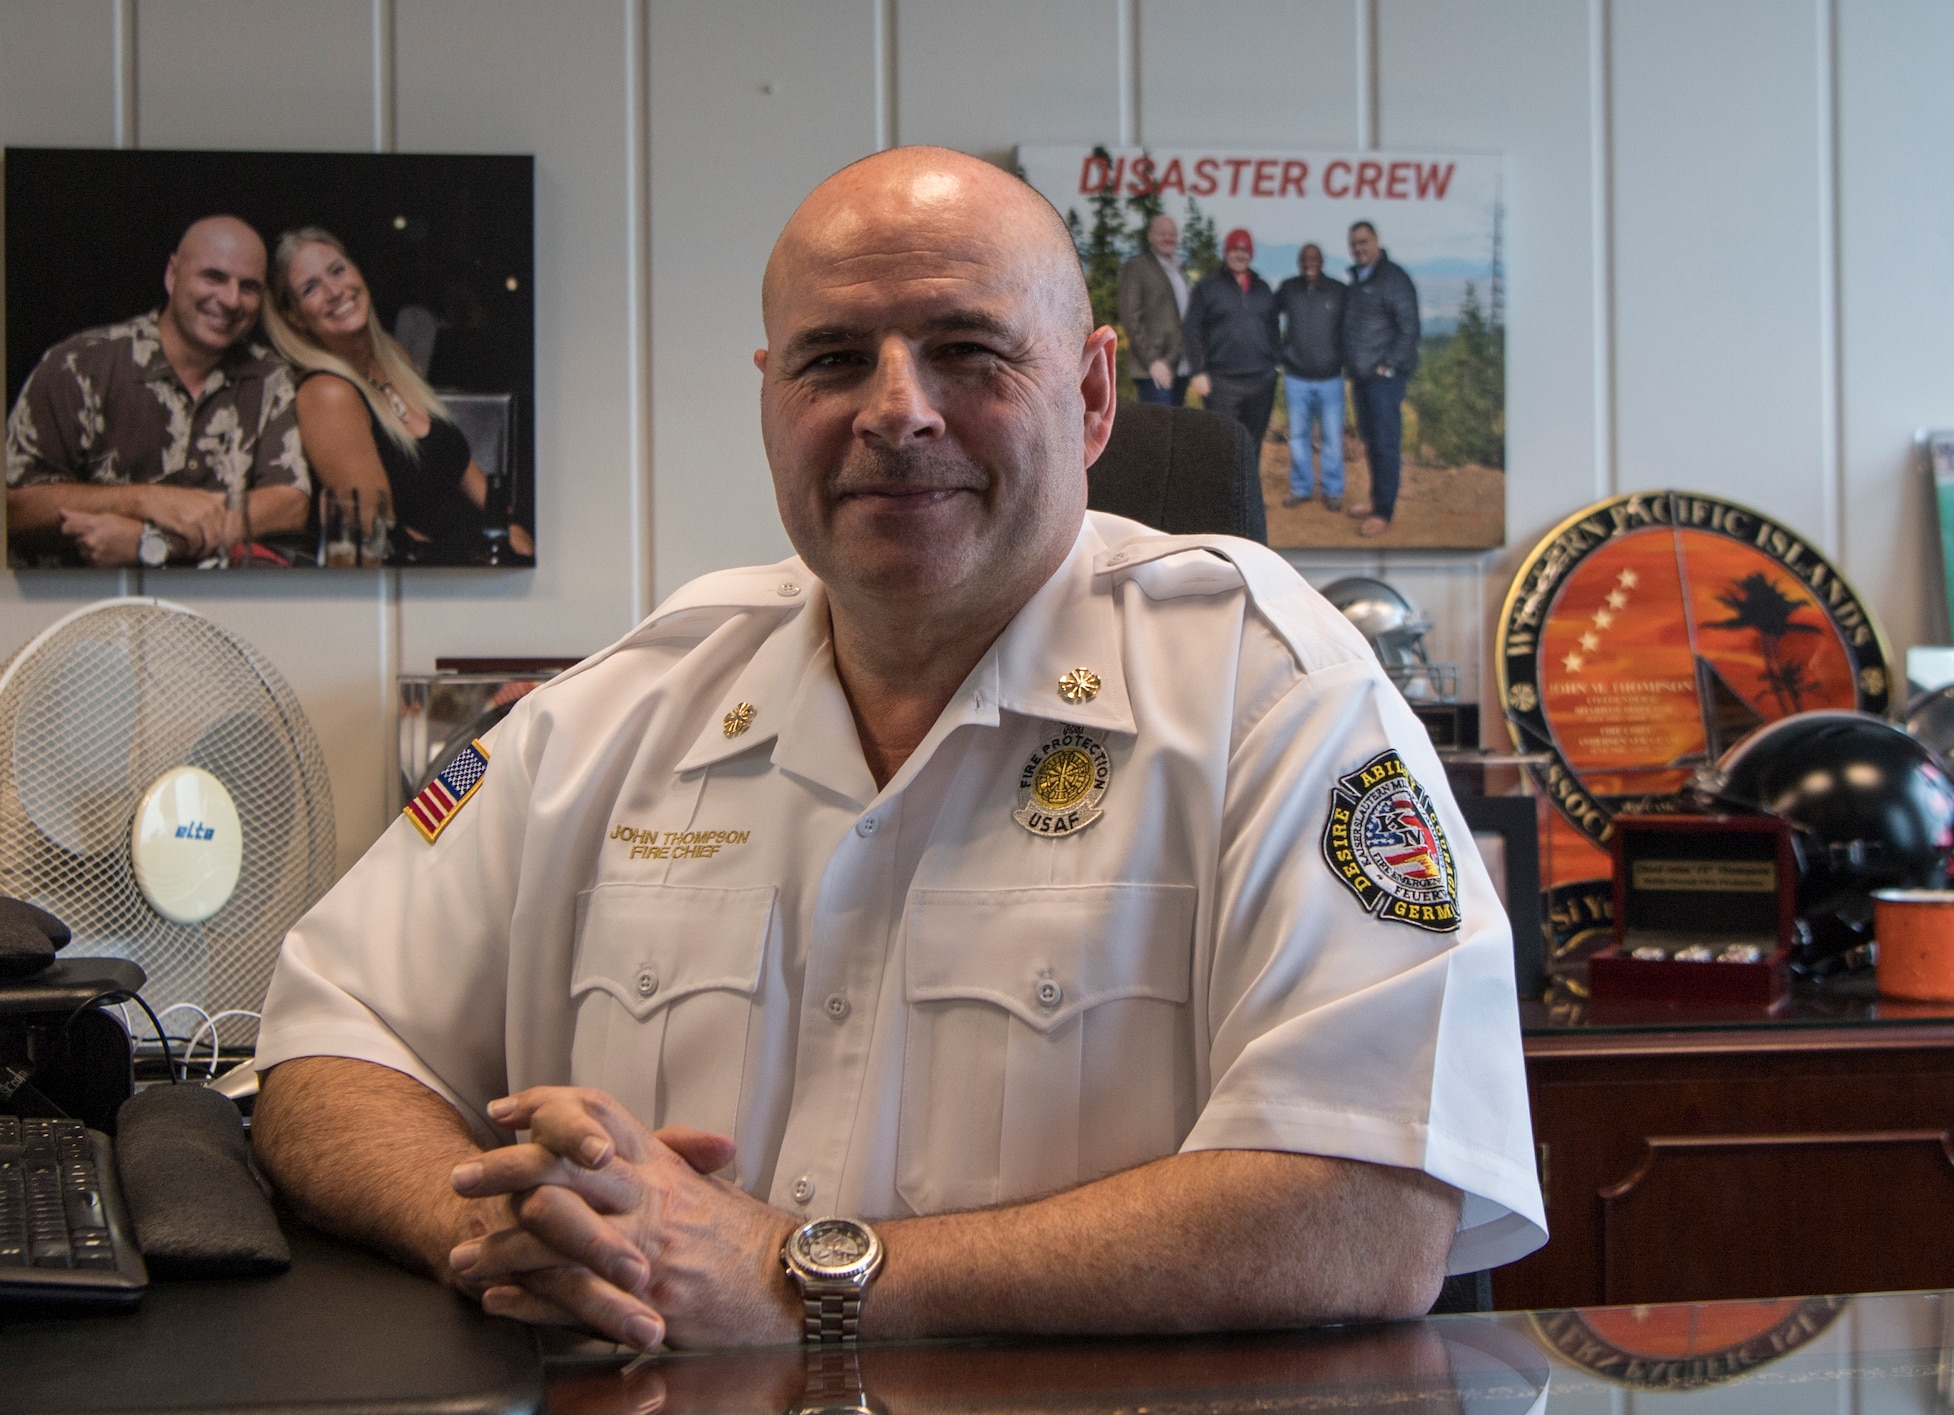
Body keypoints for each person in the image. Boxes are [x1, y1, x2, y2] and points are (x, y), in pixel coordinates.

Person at [250, 147, 1543, 1353]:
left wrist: (790, 1273)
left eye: (968, 350)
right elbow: (322, 1041)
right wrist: (500, 1227)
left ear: (1094, 393)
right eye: (831, 361)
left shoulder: (1274, 695)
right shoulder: (619, 711)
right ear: (769, 401)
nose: (896, 409)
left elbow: (1373, 1207)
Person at [4, 215, 310, 567]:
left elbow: (290, 504)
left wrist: (156, 542)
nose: (230, 299)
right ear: (173, 274)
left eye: (249, 287)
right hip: (82, 610)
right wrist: (145, 501)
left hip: (218, 614)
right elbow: (15, 509)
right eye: (213, 277)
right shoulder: (78, 364)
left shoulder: (268, 375)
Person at [262, 227, 534, 564]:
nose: (335, 291)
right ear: (294, 318)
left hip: (477, 562)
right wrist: (481, 551)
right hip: (426, 580)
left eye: (338, 270)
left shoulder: (395, 359)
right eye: (310, 288)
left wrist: (507, 527)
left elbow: (468, 474)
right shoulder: (327, 393)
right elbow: (383, 538)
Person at [1340, 222, 1420, 538]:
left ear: (1376, 241)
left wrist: (1390, 365)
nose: (1359, 248)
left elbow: (1409, 327)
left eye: (1364, 242)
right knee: (1372, 442)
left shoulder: (1393, 278)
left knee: (1386, 443)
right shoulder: (1360, 280)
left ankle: (1384, 511)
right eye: (1354, 244)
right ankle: (1376, 499)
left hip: (1384, 378)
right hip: (1362, 377)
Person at [1183, 228, 1280, 447]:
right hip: (1221, 383)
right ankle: (1224, 484)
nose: (1240, 254)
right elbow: (1191, 330)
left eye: (1245, 250)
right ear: (1226, 252)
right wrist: (1198, 371)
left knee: (1253, 446)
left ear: (1251, 254)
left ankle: (1251, 483)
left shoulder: (1262, 288)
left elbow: (1273, 327)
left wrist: (1274, 364)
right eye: (1235, 249)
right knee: (1223, 443)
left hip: (1261, 381)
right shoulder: (1207, 287)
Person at [1274, 243, 1347, 511]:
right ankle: (1301, 487)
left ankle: (1333, 490)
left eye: (1314, 258)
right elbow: (1267, 317)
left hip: (1331, 379)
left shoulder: (1339, 291)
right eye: (1304, 259)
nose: (1309, 263)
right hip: (1296, 378)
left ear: (1322, 261)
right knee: (1299, 437)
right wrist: (1280, 352)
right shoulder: (1288, 289)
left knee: (1331, 437)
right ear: (1299, 262)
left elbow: (1352, 327)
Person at [1117, 213, 1190, 405]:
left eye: (1172, 234)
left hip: (1180, 365)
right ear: (1150, 236)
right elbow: (1130, 316)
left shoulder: (1180, 269)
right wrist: (1152, 361)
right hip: (1154, 368)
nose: (1168, 238)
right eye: (1162, 233)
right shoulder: (1137, 267)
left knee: (1176, 429)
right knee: (1159, 430)